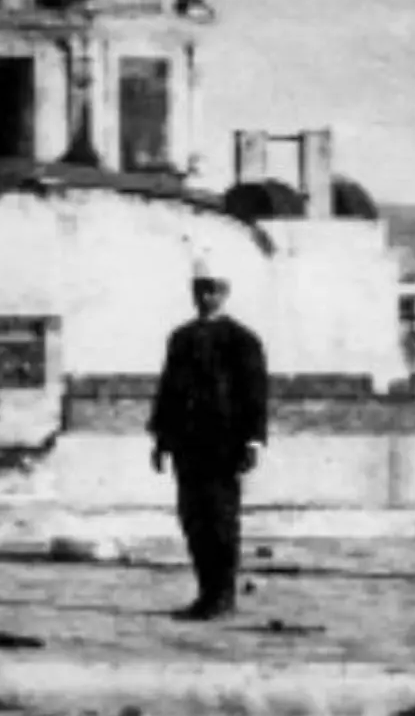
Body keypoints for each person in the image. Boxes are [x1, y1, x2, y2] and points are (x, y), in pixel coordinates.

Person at [147, 257, 269, 621]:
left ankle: (223, 594)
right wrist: (161, 440)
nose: (206, 296)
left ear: (225, 292)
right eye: (200, 289)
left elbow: (255, 394)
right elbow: (168, 392)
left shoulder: (242, 340)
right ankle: (205, 593)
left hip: (224, 445)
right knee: (193, 519)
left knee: (221, 520)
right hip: (188, 445)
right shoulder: (180, 339)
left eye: (213, 289)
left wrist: (253, 441)